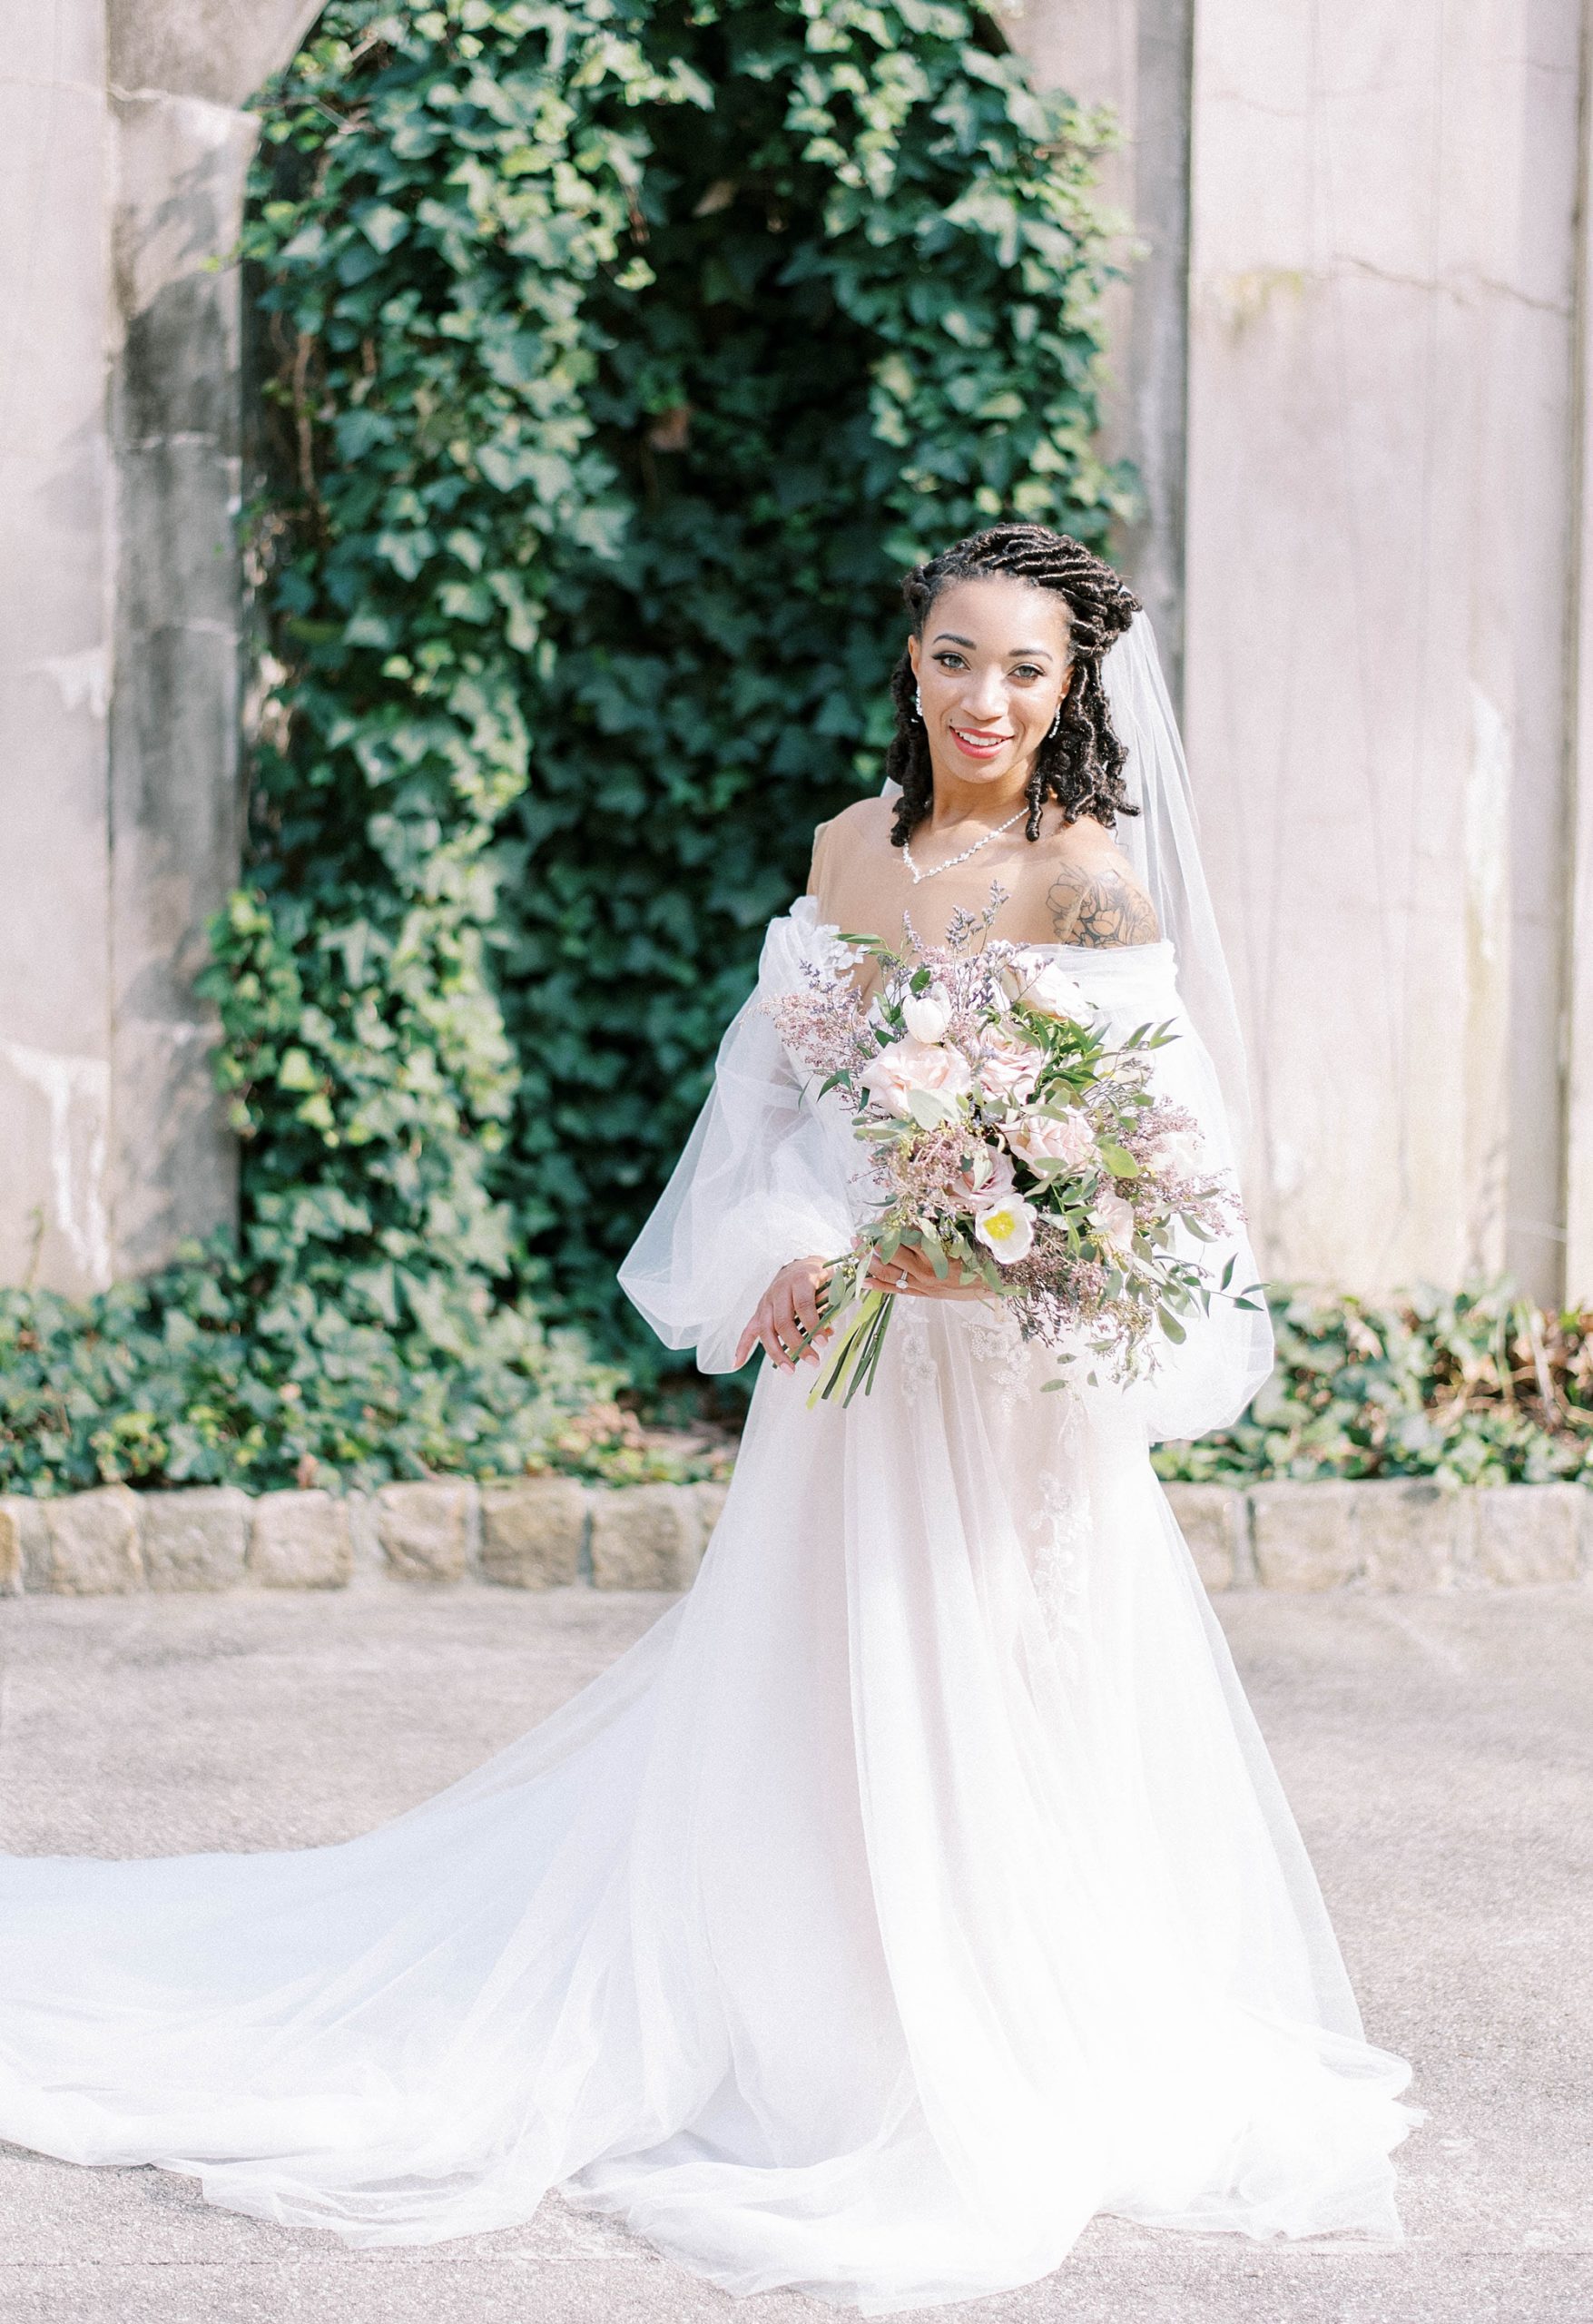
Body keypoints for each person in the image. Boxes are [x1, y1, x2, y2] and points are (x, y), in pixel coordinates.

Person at [0, 523, 1415, 2311]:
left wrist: (959, 1245)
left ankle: (1018, 2019)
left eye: (1024, 668)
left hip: (1002, 1396)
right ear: (908, 663)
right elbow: (770, 1123)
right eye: (955, 656)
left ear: (1071, 692)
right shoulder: (847, 856)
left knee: (1015, 1687)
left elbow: (1156, 1185)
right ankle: (819, 2009)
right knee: (833, 1701)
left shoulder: (1089, 882)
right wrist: (814, 1242)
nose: (985, 696)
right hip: (853, 1395)